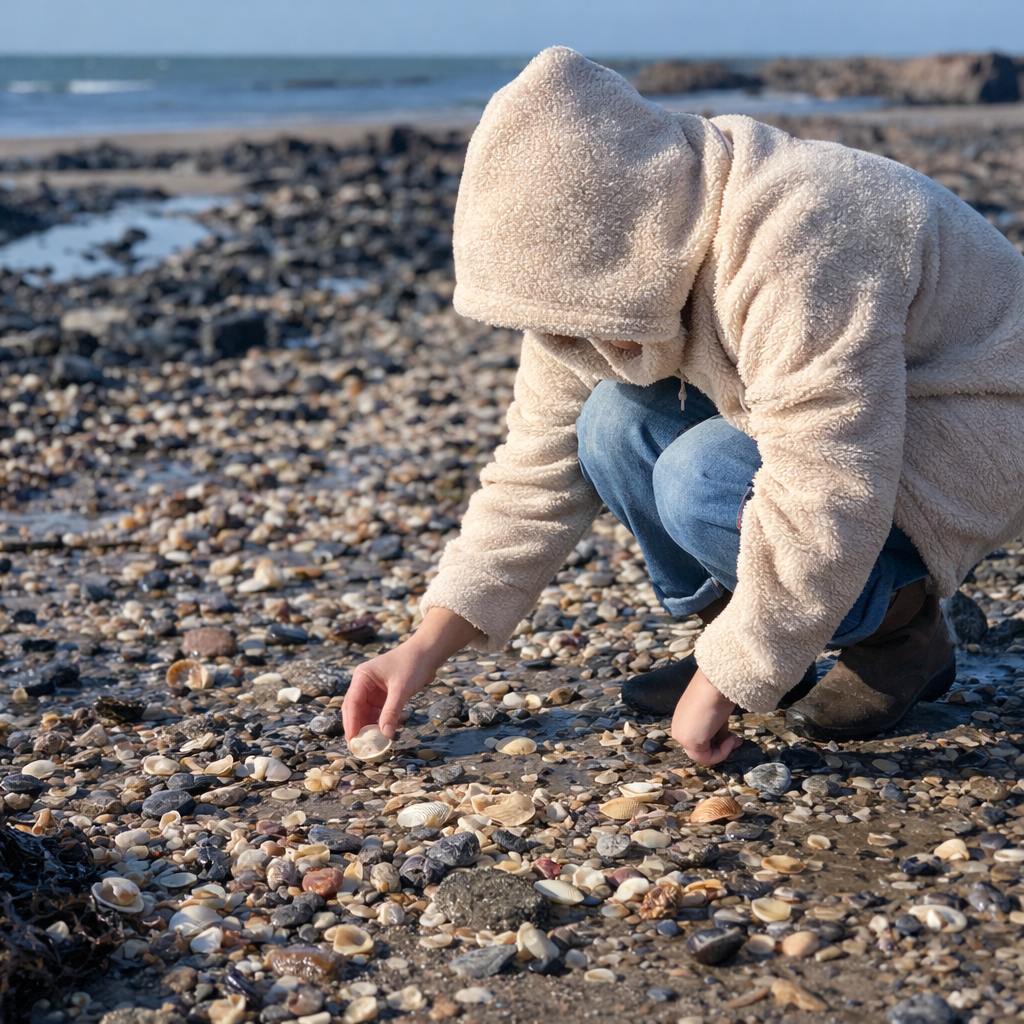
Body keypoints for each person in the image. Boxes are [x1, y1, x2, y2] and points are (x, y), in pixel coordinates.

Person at [342, 47, 1024, 766]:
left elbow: (830, 480)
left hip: (983, 418)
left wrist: (735, 676)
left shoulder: (797, 232)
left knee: (699, 476)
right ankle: (734, 633)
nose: (569, 341)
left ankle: (900, 633)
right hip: (865, 415)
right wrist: (424, 646)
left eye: (573, 315)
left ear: (625, 242)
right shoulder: (593, 280)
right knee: (609, 423)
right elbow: (533, 469)